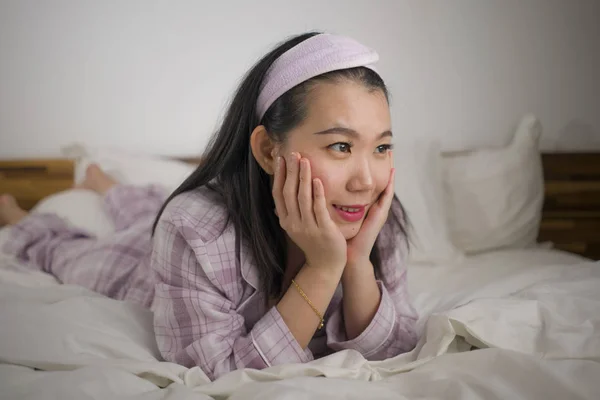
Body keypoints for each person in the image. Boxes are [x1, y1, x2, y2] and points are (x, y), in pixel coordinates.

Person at [151, 32, 418, 380]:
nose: (366, 182)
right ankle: (104, 184)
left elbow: (398, 354)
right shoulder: (195, 229)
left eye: (381, 148)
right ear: (268, 151)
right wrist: (322, 269)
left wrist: (356, 264)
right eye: (341, 146)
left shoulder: (376, 215)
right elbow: (218, 376)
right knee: (76, 242)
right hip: (140, 257)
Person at [0, 164, 163, 308]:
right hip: (140, 264)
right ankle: (17, 219)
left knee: (148, 217)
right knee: (60, 251)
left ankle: (101, 180)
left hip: (152, 259)